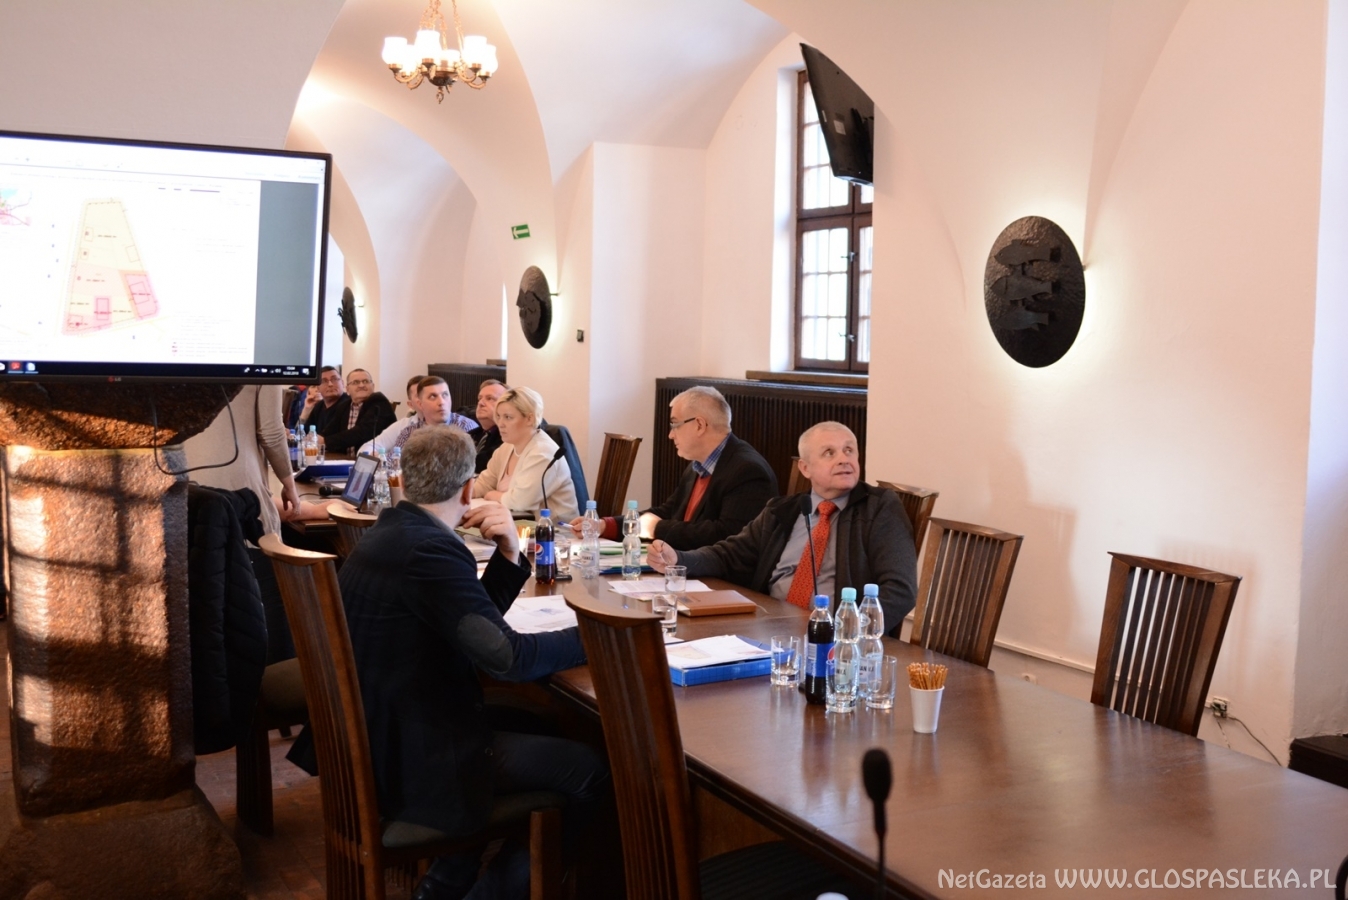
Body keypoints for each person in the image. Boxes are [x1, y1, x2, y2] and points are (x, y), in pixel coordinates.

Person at [338, 426, 608, 900]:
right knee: (589, 769)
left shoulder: (392, 532)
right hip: (418, 755)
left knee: (541, 722)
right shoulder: (430, 550)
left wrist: (508, 554)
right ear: (468, 490)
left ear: (405, 479)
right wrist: (600, 635)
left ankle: (445, 884)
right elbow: (509, 659)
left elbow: (470, 629)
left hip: (384, 729)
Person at [648, 421, 917, 635]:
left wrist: (848, 633)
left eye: (849, 450)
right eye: (829, 453)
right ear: (805, 468)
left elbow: (899, 590)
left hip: (833, 637)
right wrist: (678, 558)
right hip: (768, 625)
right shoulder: (783, 510)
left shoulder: (878, 508)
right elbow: (729, 554)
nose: (843, 460)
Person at [569, 385, 776, 550]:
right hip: (687, 566)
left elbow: (726, 535)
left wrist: (657, 529)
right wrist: (605, 526)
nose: (670, 435)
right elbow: (668, 511)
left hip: (721, 581)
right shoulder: (698, 465)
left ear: (699, 425)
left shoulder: (747, 471)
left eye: (675, 425)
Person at [183, 384, 301, 536]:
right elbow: (271, 434)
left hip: (184, 487)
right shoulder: (267, 369)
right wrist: (289, 486)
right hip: (237, 488)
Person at [474, 387, 579, 521]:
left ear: (529, 418)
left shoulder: (542, 452)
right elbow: (484, 483)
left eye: (508, 417)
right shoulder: (506, 447)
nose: (500, 424)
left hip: (554, 531)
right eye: (498, 416)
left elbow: (519, 503)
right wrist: (462, 493)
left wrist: (493, 495)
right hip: (519, 526)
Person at [361, 376, 477, 456]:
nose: (441, 402)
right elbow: (393, 465)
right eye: (433, 397)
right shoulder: (409, 432)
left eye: (445, 395)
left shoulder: (466, 427)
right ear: (420, 404)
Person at [318, 367, 397, 454]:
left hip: (374, 458)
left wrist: (325, 441)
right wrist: (316, 439)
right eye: (356, 382)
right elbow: (329, 430)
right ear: (347, 389)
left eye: (365, 381)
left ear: (373, 386)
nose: (361, 385)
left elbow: (362, 432)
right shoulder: (344, 406)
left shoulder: (379, 402)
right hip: (346, 458)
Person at [470, 379, 508, 473]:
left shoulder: (508, 436)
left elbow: (483, 463)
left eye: (490, 398)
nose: (480, 403)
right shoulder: (472, 434)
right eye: (480, 398)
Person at [296, 366, 345, 433]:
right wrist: (306, 410)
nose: (330, 384)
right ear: (318, 388)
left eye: (334, 379)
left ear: (342, 383)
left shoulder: (348, 405)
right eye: (324, 381)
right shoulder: (319, 406)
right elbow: (300, 434)